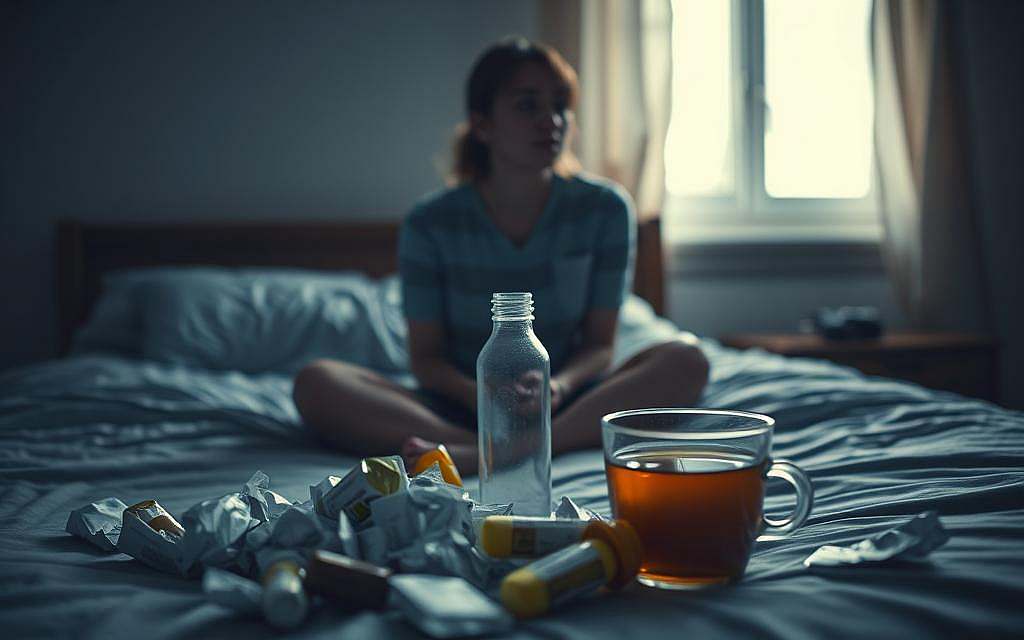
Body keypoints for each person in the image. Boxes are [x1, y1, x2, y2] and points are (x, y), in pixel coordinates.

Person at [292, 38, 708, 473]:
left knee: (687, 359)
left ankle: (501, 451)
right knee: (315, 383)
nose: (552, 120)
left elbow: (600, 345)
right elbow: (427, 359)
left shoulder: (605, 210)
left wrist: (557, 387)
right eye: (528, 105)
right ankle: (485, 445)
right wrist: (484, 396)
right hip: (459, 402)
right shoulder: (430, 223)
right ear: (483, 125)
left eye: (560, 105)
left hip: (563, 400)